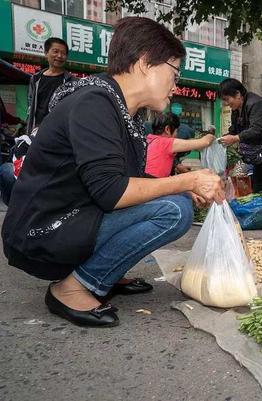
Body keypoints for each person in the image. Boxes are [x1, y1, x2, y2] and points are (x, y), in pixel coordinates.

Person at [2, 17, 225, 328]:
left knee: (174, 199)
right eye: (175, 74)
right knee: (175, 212)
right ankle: (74, 285)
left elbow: (120, 180)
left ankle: (107, 270)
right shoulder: (93, 103)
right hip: (43, 232)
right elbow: (112, 191)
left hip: (77, 216)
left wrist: (177, 184)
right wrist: (186, 181)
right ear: (146, 63)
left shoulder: (123, 112)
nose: (177, 86)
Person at [26, 37, 75, 135]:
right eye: (55, 51)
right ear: (46, 53)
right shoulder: (35, 79)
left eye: (63, 53)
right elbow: (31, 105)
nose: (60, 56)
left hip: (60, 131)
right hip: (36, 130)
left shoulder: (72, 81)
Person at [145, 112, 215, 177]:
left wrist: (178, 166)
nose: (176, 134)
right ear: (167, 129)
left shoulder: (149, 139)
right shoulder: (166, 142)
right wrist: (211, 136)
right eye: (176, 131)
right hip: (157, 185)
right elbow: (205, 142)